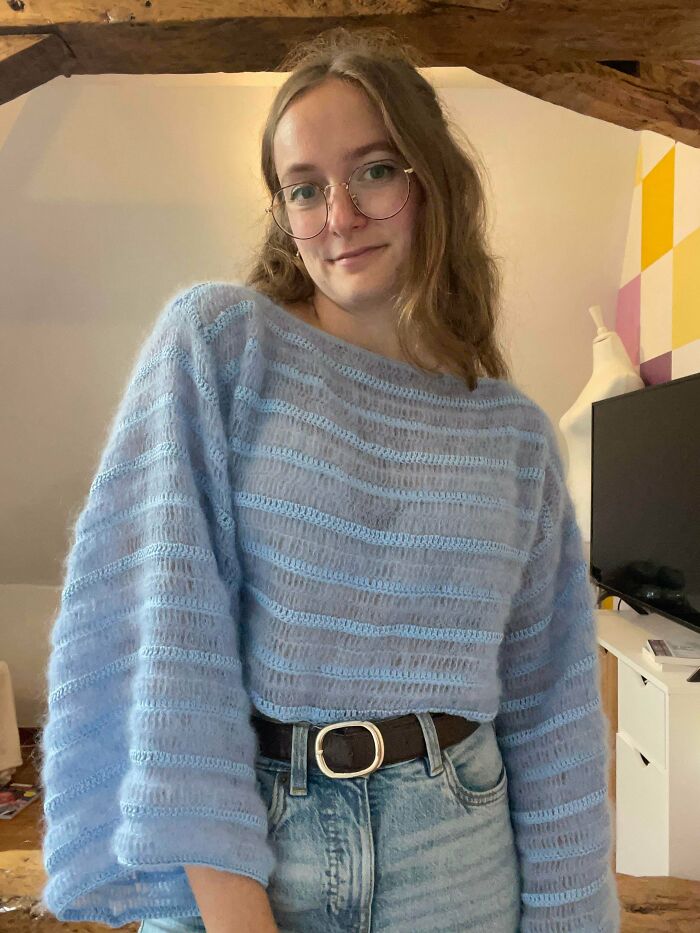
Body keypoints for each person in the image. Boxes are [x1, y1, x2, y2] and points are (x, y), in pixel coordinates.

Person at [39, 26, 621, 933]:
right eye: (305, 188)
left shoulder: (515, 435)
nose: (339, 214)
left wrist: (572, 914)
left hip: (458, 851)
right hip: (249, 839)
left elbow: (551, 710)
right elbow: (172, 645)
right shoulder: (221, 344)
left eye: (375, 170)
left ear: (432, 179)